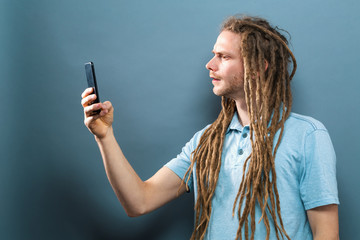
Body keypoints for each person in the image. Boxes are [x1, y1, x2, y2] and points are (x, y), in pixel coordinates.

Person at [81, 15, 339, 240]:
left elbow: (326, 234)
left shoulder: (308, 136)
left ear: (258, 67)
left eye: (223, 57)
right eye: (214, 54)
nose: (210, 65)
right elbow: (139, 201)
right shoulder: (206, 142)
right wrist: (105, 136)